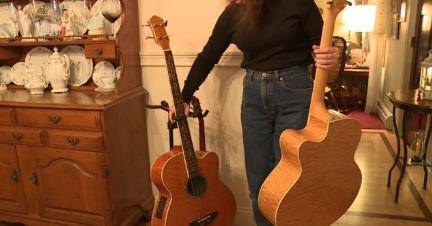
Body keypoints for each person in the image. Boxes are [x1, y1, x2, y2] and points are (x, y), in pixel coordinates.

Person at [168, 0, 339, 225]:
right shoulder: (234, 12)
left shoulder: (298, 2)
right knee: (258, 184)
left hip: (295, 94)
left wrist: (333, 57)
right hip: (253, 97)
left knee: (288, 181)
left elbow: (325, 50)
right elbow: (208, 56)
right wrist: (184, 96)